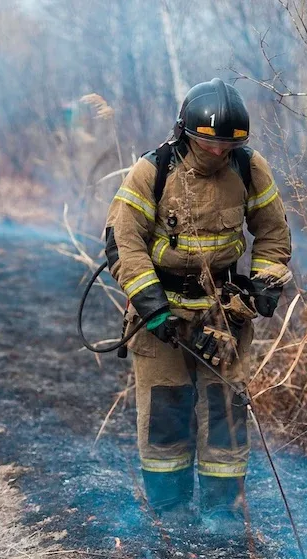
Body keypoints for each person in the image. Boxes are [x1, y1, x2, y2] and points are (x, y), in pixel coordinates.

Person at [104, 78, 292, 525]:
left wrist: (256, 297)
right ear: (186, 133)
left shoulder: (249, 167)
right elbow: (123, 244)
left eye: (228, 145)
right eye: (209, 145)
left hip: (223, 315)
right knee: (166, 413)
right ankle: (170, 515)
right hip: (160, 317)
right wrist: (153, 309)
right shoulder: (152, 172)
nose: (218, 153)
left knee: (225, 412)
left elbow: (273, 232)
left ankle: (223, 516)